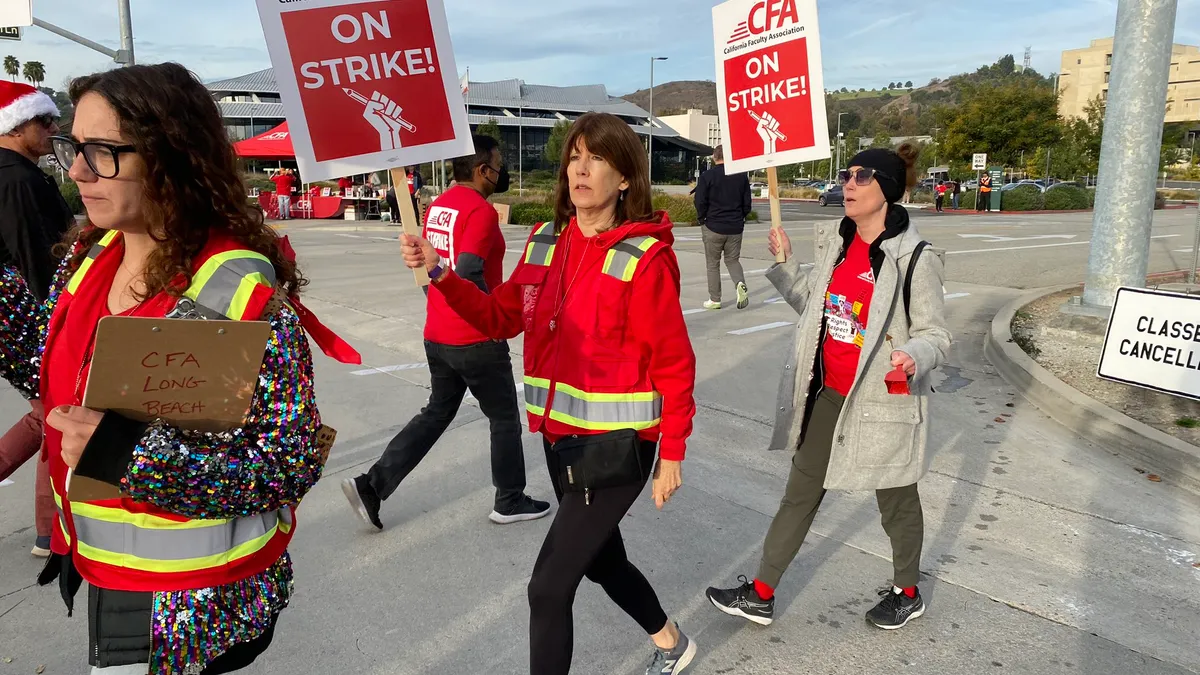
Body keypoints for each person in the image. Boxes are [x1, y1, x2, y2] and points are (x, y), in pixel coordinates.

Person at [0, 62, 359, 675]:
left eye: (103, 151)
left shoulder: (234, 292)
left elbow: (288, 462)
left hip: (196, 598)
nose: (78, 171)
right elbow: (57, 377)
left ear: (171, 156)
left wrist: (128, 456)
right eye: (73, 148)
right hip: (106, 565)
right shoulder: (90, 258)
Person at [401, 112, 699, 675]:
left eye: (597, 159)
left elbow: (674, 361)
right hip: (559, 438)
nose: (579, 170)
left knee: (547, 587)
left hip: (617, 447)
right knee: (601, 559)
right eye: (574, 157)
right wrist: (440, 273)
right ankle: (672, 642)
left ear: (626, 178)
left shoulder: (643, 258)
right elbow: (499, 316)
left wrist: (674, 451)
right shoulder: (544, 243)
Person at [705, 142, 951, 631]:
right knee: (800, 492)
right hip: (830, 395)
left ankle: (907, 591)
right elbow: (816, 310)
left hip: (883, 400)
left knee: (896, 499)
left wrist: (913, 356)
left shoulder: (915, 258)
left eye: (861, 176)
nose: (849, 184)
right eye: (847, 174)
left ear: (888, 188)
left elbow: (936, 335)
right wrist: (786, 265)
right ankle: (761, 592)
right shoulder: (838, 247)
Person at [342, 134, 550, 528]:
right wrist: (493, 316)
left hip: (437, 332)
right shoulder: (481, 212)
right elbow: (469, 269)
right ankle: (509, 499)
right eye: (498, 162)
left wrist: (437, 301)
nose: (501, 169)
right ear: (481, 169)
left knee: (436, 412)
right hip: (476, 336)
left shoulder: (439, 205)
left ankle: (371, 485)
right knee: (504, 418)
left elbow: (426, 267)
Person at [0, 80, 75, 558]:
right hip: (24, 307)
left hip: (16, 307)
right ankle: (51, 533)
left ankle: (50, 532)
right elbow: (36, 255)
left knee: (49, 410)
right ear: (15, 125)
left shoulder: (19, 172)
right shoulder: (15, 178)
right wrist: (61, 311)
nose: (53, 128)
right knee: (58, 408)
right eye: (43, 121)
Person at [693, 144, 751, 310]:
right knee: (732, 260)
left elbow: (700, 201)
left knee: (713, 264)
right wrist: (742, 217)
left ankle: (715, 299)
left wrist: (701, 218)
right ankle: (740, 283)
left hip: (713, 226)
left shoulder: (707, 176)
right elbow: (747, 203)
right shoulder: (741, 177)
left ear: (714, 157)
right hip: (735, 227)